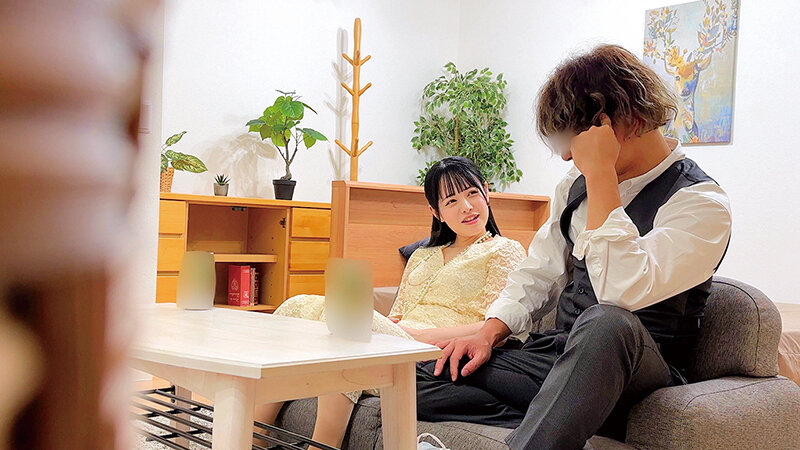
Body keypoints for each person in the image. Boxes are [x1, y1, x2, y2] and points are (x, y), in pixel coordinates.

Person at [416, 44, 733, 450]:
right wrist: (487, 333)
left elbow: (620, 294)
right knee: (417, 377)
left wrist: (601, 174)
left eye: (576, 138)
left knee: (606, 322)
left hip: (633, 368)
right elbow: (540, 271)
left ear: (628, 119)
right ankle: (560, 416)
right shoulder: (574, 185)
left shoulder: (700, 202)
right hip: (555, 356)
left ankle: (557, 416)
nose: (568, 154)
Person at [255, 156, 527, 449]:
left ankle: (322, 446)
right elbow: (399, 314)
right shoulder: (422, 255)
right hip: (399, 339)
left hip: (436, 353)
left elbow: (495, 327)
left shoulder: (505, 250)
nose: (467, 207)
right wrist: (391, 326)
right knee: (296, 305)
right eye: (451, 201)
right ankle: (252, 437)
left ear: (486, 191)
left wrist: (423, 336)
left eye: (472, 193)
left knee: (354, 324)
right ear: (436, 212)